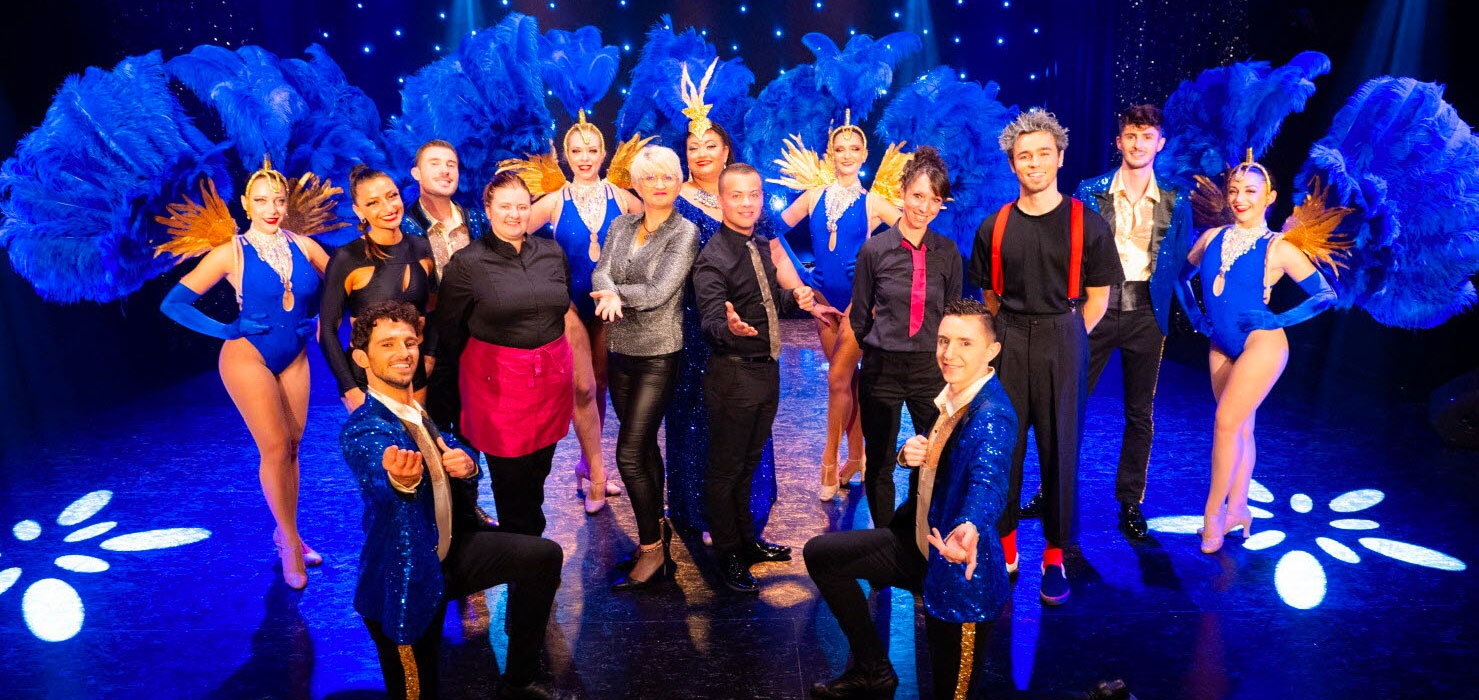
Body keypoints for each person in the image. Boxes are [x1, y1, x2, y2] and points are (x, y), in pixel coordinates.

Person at [340, 301, 561, 700]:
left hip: (446, 555)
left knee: (541, 556)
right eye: (387, 344)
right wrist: (401, 482)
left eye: (409, 342)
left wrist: (467, 463)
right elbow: (379, 478)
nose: (403, 352)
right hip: (406, 579)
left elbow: (450, 445)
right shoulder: (366, 428)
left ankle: (520, 680)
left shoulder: (414, 410)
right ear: (362, 358)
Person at [665, 61, 843, 543]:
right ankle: (705, 516)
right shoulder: (673, 201)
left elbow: (777, 256)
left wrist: (806, 298)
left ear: (726, 151)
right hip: (696, 327)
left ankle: (746, 519)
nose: (701, 152)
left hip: (752, 329)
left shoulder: (746, 197)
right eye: (692, 146)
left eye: (710, 145)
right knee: (698, 422)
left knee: (748, 428)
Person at [805, 298, 1015, 700]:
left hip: (958, 571)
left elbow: (988, 482)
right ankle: (873, 671)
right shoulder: (954, 392)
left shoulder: (992, 414)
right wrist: (908, 454)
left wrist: (969, 524)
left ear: (991, 351)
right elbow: (940, 460)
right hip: (920, 544)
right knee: (823, 555)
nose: (949, 353)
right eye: (944, 341)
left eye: (965, 343)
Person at [969, 110, 1123, 605]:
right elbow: (989, 295)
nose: (1033, 163)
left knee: (1061, 450)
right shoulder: (993, 226)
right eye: (1023, 156)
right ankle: (1007, 549)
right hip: (1009, 337)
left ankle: (1055, 555)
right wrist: (1011, 333)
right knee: (1005, 448)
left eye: (1042, 154)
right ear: (1012, 164)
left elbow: (1099, 296)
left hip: (1064, 335)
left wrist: (1070, 336)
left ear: (1059, 157)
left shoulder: (1088, 224)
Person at [159, 157, 329, 589]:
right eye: (262, 201)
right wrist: (226, 329)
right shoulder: (231, 252)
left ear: (287, 204)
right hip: (247, 357)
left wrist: (322, 320)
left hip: (295, 357)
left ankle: (288, 531)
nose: (271, 209)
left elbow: (345, 285)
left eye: (278, 201)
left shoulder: (305, 246)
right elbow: (174, 303)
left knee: (292, 448)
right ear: (245, 204)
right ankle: (289, 545)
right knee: (275, 447)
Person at [1175, 154, 1339, 553]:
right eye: (1234, 190)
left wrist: (1279, 319)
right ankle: (1239, 509)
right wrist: (1196, 317)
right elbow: (1181, 277)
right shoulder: (1211, 238)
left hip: (1261, 345)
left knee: (1226, 423)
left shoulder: (1277, 247)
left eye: (1250, 191)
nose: (1239, 198)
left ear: (1270, 197)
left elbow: (1325, 294)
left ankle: (1213, 515)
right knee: (1241, 429)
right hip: (1221, 343)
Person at [1062, 104, 1194, 539]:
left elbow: (1179, 261)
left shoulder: (1176, 198)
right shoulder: (1090, 191)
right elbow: (1071, 254)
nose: (1139, 144)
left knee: (1140, 412)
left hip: (1146, 312)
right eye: (1131, 136)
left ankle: (1130, 501)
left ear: (1160, 143)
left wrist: (1194, 311)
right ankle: (1053, 490)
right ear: (1119, 141)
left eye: (1147, 137)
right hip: (1097, 306)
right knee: (1070, 403)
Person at [693, 162, 817, 593]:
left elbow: (766, 301)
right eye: (737, 196)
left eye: (754, 195)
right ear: (721, 201)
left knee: (747, 466)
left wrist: (794, 297)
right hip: (733, 376)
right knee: (725, 472)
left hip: (766, 372)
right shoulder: (712, 258)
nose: (747, 203)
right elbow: (711, 320)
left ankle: (747, 542)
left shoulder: (758, 245)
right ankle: (728, 555)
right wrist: (729, 327)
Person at [432, 171, 575, 537]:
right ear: (488, 209)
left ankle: (529, 547)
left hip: (552, 381)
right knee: (513, 484)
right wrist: (445, 405)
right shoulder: (468, 263)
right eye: (506, 206)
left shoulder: (552, 252)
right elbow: (449, 334)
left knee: (538, 474)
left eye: (522, 207)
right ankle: (524, 551)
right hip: (498, 389)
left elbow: (563, 302)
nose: (515, 214)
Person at [517, 113, 643, 514]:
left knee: (601, 385)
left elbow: (660, 226)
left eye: (591, 150)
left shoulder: (623, 199)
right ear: (566, 156)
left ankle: (588, 464)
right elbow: (511, 232)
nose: (584, 158)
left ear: (604, 153)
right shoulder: (555, 201)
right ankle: (598, 473)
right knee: (582, 389)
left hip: (609, 305)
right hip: (569, 308)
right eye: (576, 151)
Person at [590, 145, 700, 590]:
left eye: (668, 176)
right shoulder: (621, 224)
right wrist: (608, 290)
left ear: (679, 182)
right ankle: (657, 534)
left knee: (629, 454)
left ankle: (652, 549)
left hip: (659, 353)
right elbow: (601, 272)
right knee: (645, 450)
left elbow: (658, 291)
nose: (659, 184)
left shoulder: (685, 232)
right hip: (620, 350)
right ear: (635, 184)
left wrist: (616, 295)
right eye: (650, 177)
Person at [776, 118, 903, 501]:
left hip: (858, 305)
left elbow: (911, 241)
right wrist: (801, 277)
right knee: (849, 382)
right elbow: (771, 230)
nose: (847, 155)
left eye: (854, 149)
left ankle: (829, 460)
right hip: (823, 303)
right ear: (830, 155)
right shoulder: (814, 197)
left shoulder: (873, 202)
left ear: (864, 156)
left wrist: (875, 267)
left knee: (836, 380)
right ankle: (857, 458)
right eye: (840, 149)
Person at [850, 146, 964, 529]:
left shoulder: (947, 253)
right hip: (882, 368)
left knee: (931, 457)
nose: (924, 208)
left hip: (929, 370)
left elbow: (952, 317)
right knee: (881, 461)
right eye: (918, 196)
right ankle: (884, 539)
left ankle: (915, 532)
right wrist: (879, 346)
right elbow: (860, 316)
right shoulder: (874, 250)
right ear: (901, 192)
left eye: (935, 200)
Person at [320, 165, 436, 413]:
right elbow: (327, 330)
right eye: (373, 203)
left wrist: (429, 358)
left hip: (415, 373)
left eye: (391, 196)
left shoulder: (422, 247)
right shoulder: (347, 258)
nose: (388, 207)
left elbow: (435, 310)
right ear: (358, 210)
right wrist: (350, 389)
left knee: (416, 438)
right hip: (367, 378)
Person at [400, 139, 490, 280]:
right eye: (434, 164)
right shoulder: (402, 227)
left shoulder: (478, 219)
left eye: (451, 165)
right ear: (416, 173)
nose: (445, 171)